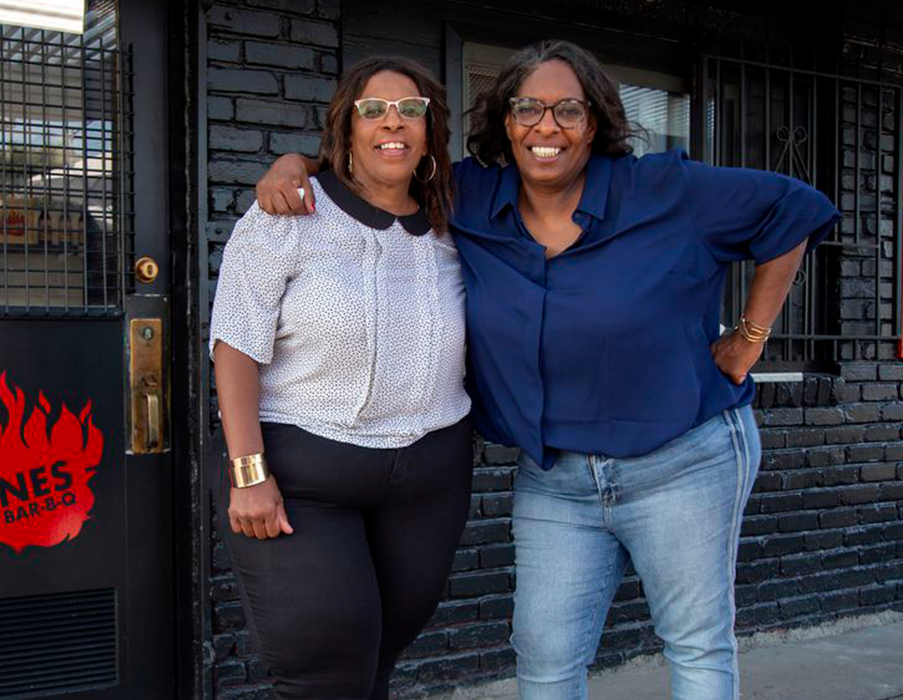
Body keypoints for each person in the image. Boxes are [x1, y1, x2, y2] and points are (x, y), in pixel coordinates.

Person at [253, 40, 840, 700]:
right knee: (544, 658)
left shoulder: (666, 189)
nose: (547, 126)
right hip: (555, 477)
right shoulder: (470, 196)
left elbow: (796, 209)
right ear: (504, 121)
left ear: (596, 122)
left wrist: (751, 336)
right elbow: (379, 160)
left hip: (684, 459)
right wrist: (295, 162)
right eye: (527, 107)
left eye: (568, 109)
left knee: (696, 645)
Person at [209, 56, 473, 700]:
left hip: (429, 479)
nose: (394, 123)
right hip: (303, 478)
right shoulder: (289, 216)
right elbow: (235, 346)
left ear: (430, 130)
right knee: (324, 674)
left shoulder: (456, 223)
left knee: (377, 655)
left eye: (411, 110)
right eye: (373, 109)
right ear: (345, 127)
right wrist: (249, 473)